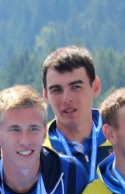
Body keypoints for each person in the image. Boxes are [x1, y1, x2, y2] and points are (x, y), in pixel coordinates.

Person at [42, 46, 112, 183]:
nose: (67, 99)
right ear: (45, 95)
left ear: (95, 87)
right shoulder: (38, 151)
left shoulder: (122, 140)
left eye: (75, 87)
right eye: (57, 90)